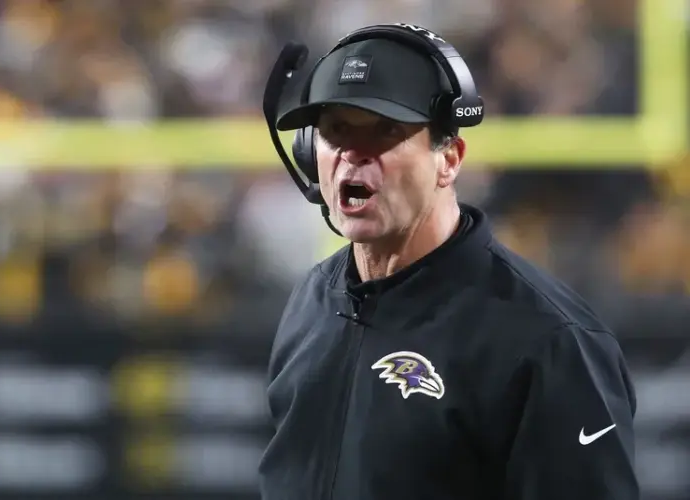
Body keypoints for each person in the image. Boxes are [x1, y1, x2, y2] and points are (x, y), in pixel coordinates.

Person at [258, 23, 639, 500]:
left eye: (386, 133)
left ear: (450, 159)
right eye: (336, 132)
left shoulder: (548, 340)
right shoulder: (311, 300)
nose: (354, 156)